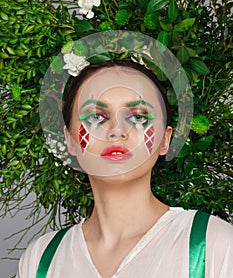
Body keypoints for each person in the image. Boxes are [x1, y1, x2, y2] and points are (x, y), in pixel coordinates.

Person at [16, 59, 233, 278]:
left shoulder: (212, 245)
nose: (116, 130)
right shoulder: (41, 260)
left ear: (165, 141)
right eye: (96, 117)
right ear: (70, 140)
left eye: (138, 117)